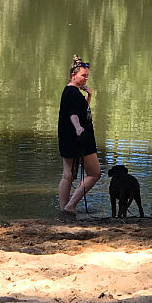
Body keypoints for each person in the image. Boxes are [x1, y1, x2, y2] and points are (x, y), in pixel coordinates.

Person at [58, 55, 100, 217]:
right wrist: (78, 128)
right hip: (81, 138)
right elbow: (74, 115)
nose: (85, 79)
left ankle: (64, 210)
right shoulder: (73, 93)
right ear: (73, 75)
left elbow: (80, 111)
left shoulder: (69, 91)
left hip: (67, 138)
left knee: (68, 175)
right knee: (95, 173)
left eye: (87, 76)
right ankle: (71, 205)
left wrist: (89, 97)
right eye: (83, 75)